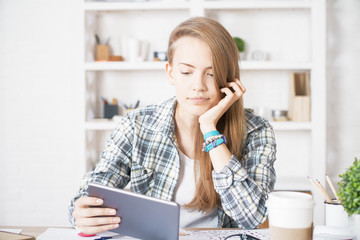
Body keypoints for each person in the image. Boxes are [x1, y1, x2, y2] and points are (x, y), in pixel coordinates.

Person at [69, 16, 276, 235]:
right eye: (186, 72)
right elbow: (90, 192)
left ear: (229, 79)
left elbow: (252, 218)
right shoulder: (137, 125)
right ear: (170, 73)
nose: (198, 86)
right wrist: (82, 212)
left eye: (212, 73)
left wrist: (209, 128)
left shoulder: (256, 130)